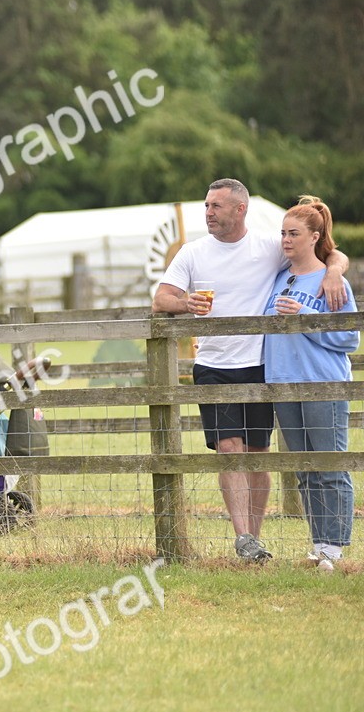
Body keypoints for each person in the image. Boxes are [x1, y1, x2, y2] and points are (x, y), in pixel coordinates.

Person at [152, 178, 349, 563]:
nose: (208, 213)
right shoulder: (193, 252)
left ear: (239, 209)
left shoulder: (269, 247)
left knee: (258, 453)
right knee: (229, 449)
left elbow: (325, 250)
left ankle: (258, 540)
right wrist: (185, 303)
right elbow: (161, 299)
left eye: (216, 206)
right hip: (212, 366)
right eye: (206, 206)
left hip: (261, 366)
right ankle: (243, 538)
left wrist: (334, 273)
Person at [263, 196, 357, 571]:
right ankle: (318, 544)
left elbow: (349, 338)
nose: (286, 240)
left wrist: (305, 315)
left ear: (315, 236)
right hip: (283, 384)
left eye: (294, 233)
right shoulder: (278, 277)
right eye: (283, 233)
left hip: (323, 384)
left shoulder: (332, 281)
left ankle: (335, 548)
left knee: (330, 467)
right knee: (304, 468)